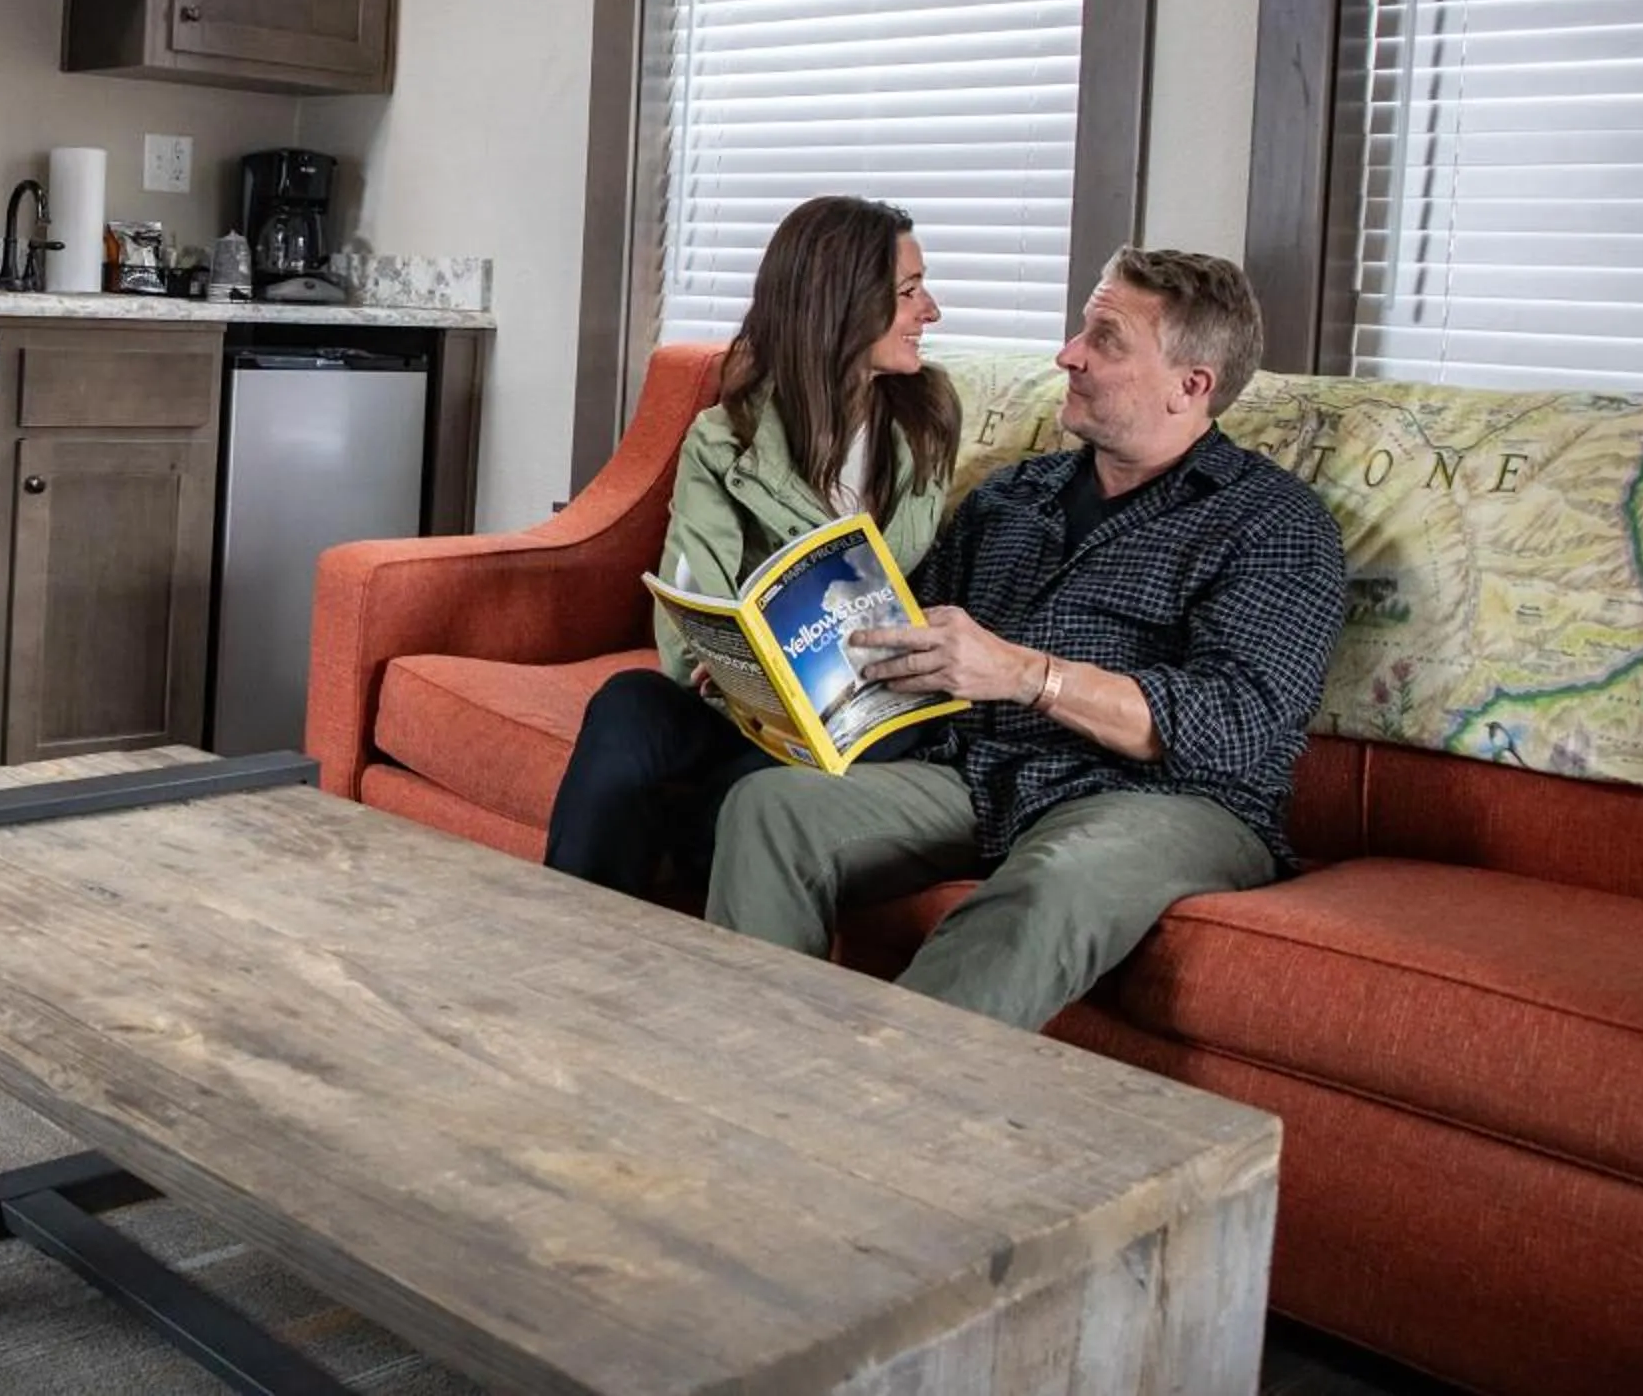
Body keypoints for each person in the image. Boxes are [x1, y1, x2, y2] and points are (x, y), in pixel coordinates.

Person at [704, 246, 1347, 1030]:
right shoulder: (1016, 494)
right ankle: (746, 1082)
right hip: (984, 772)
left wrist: (1027, 675)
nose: (1067, 355)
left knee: (1052, 883)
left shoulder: (1272, 522)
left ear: (1192, 386)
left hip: (1166, 798)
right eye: (1082, 329)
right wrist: (775, 667)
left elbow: (1236, 725)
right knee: (772, 811)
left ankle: (862, 1118)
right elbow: (915, 639)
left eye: (1105, 340)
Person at [543, 196, 957, 903]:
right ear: (842, 304)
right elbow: (688, 595)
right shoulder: (725, 438)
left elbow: (917, 586)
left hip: (864, 717)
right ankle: (566, 936)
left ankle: (687, 867)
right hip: (743, 705)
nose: (933, 311)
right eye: (910, 292)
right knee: (628, 703)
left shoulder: (927, 423)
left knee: (743, 800)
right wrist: (720, 663)